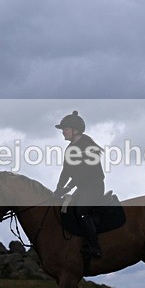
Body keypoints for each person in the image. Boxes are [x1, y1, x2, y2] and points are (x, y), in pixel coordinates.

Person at [53, 110, 105, 258]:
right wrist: (58, 188)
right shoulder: (70, 149)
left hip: (94, 186)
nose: (63, 132)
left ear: (75, 130)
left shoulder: (87, 146)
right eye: (63, 130)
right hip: (82, 188)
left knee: (81, 212)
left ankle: (94, 247)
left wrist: (68, 187)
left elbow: (85, 173)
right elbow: (66, 171)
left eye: (66, 129)